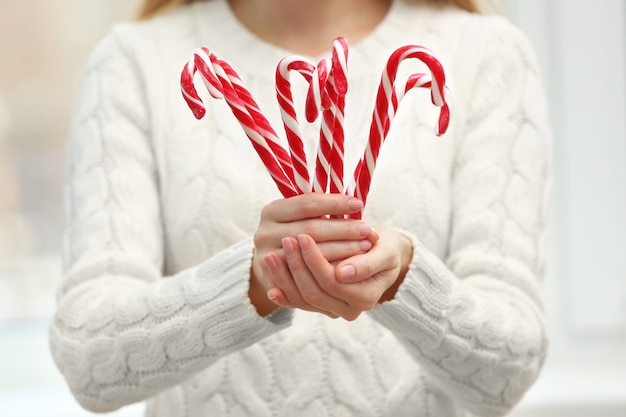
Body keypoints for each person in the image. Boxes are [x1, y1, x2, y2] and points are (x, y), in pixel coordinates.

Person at [49, 0, 552, 416]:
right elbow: (88, 359)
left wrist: (403, 276)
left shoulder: (486, 52)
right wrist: (251, 282)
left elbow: (508, 373)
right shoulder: (135, 60)